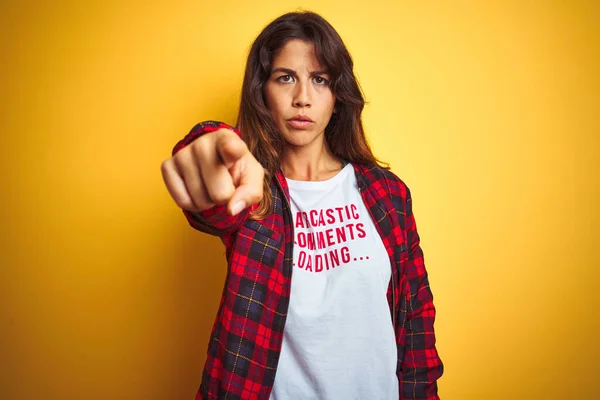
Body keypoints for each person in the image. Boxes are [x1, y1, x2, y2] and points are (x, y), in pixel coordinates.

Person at [161, 10, 443, 400]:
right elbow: (212, 197)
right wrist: (207, 144)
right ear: (262, 90)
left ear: (337, 96)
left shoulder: (387, 195)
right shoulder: (254, 193)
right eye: (285, 77)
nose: (302, 98)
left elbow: (416, 322)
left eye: (319, 79)